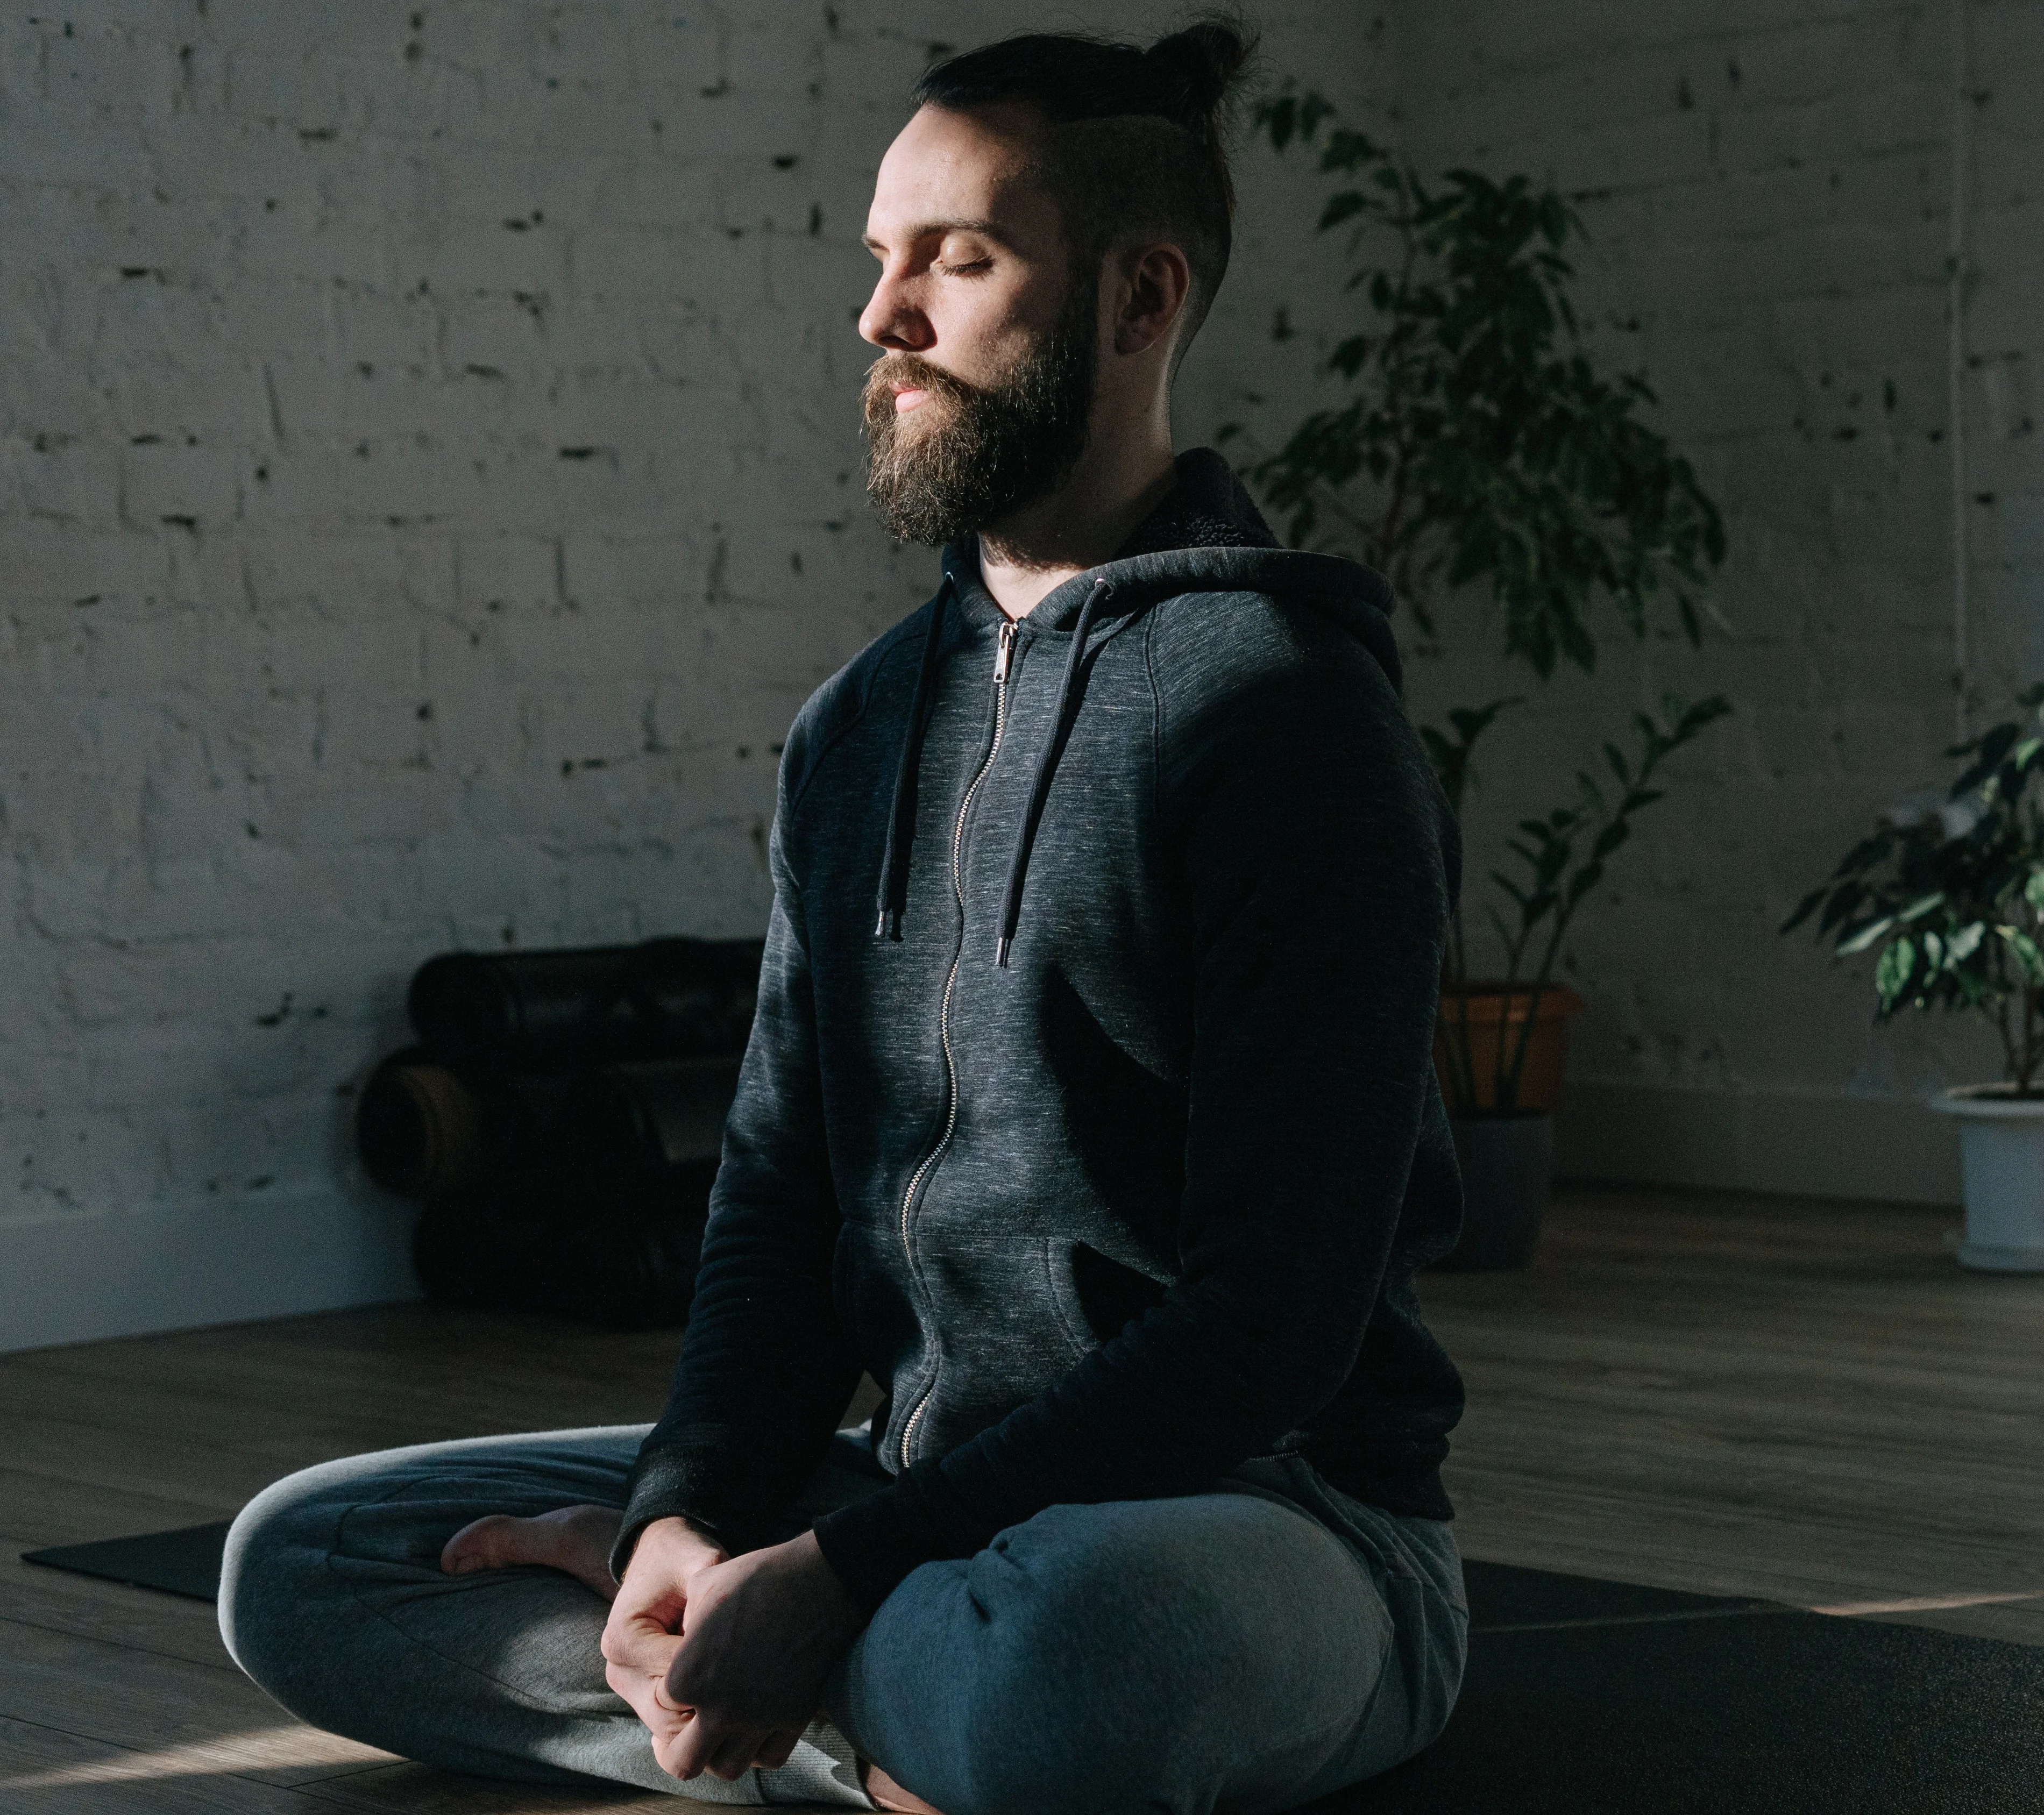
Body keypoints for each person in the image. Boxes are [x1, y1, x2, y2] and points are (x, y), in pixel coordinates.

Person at [218, 23, 1471, 1813]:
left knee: (1062, 1667)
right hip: (903, 1494)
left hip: (1262, 1523)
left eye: (956, 260)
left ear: (1141, 299)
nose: (882, 316)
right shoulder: (858, 725)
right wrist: (686, 1509)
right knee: (302, 1563)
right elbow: (776, 1194)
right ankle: (822, 1701)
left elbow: (1272, 1328)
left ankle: (813, 1688)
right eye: (878, 260)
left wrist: (841, 1569)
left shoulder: (1283, 714)